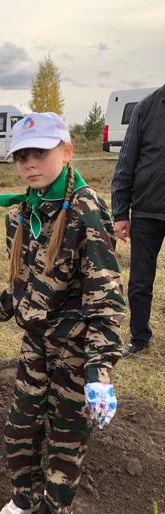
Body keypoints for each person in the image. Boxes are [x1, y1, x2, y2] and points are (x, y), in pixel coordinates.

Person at [0, 112, 125, 514]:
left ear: (66, 152)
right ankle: (25, 497)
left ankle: (55, 513)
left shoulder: (88, 214)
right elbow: (20, 290)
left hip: (75, 352)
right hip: (35, 348)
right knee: (19, 428)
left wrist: (99, 375)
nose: (30, 163)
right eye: (22, 155)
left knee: (66, 437)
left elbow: (107, 304)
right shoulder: (22, 214)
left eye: (40, 153)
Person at [111, 84, 165, 358]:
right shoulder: (147, 108)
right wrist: (120, 212)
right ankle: (139, 337)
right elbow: (126, 161)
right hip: (147, 212)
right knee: (141, 281)